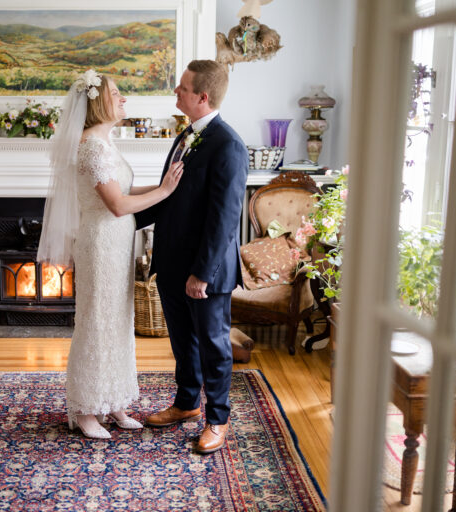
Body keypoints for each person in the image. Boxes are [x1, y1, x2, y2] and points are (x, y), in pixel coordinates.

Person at [37, 70, 184, 439]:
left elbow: (127, 191)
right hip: (101, 244)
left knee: (119, 322)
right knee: (97, 323)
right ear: (97, 101)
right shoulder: (90, 146)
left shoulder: (105, 143)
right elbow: (118, 205)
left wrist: (172, 187)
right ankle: (87, 408)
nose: (123, 100)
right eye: (116, 93)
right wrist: (165, 192)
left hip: (118, 244)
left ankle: (114, 402)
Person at [136, 60, 248, 454]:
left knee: (214, 346)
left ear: (203, 96)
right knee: (183, 342)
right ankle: (186, 403)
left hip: (206, 272)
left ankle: (217, 419)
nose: (176, 93)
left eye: (182, 88)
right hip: (171, 263)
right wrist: (118, 219)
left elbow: (225, 219)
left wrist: (202, 273)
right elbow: (170, 197)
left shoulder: (229, 145)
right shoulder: (185, 135)